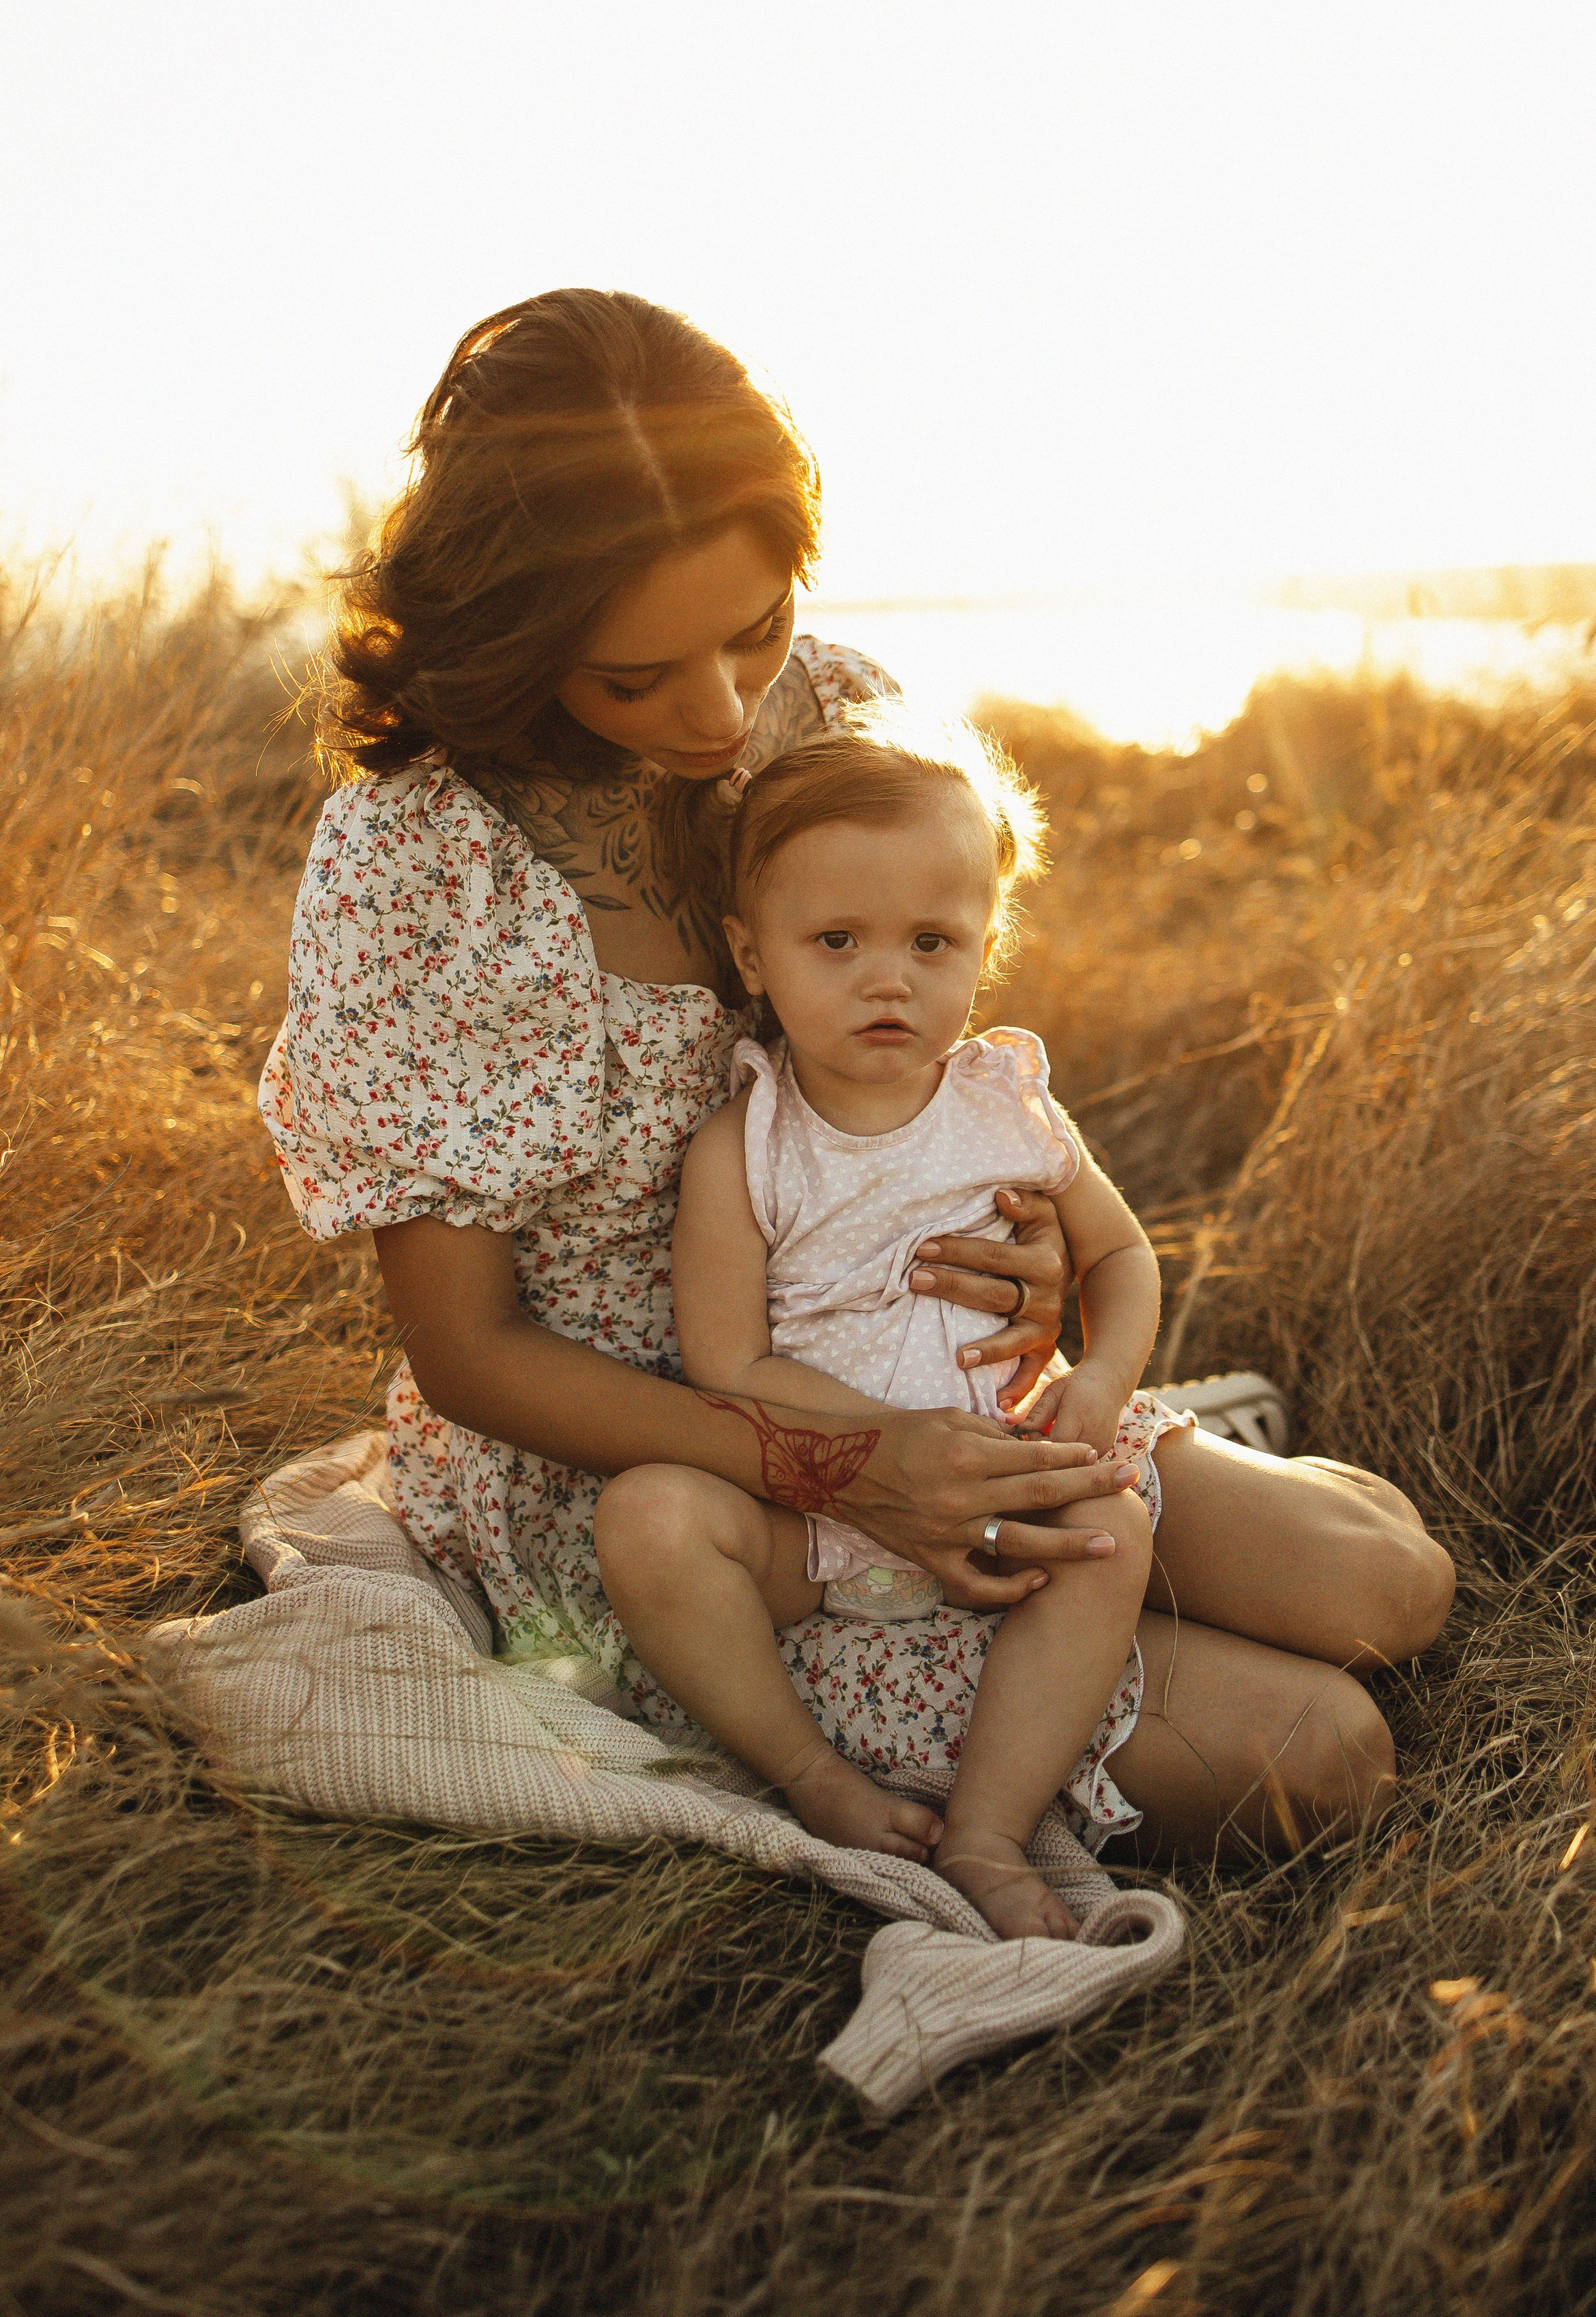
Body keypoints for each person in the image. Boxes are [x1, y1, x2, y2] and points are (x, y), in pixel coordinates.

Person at [260, 286, 1453, 1878]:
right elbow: (469, 1351)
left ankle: (1160, 1538)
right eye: (635, 676)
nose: (720, 714)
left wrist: (1030, 1248)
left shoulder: (824, 708)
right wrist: (843, 1468)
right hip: (664, 1480)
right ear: (512, 634)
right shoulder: (415, 862)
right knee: (1322, 1755)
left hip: (925, 1367)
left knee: (1388, 1587)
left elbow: (925, 1045)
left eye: (752, 628)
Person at [596, 713, 1206, 1936]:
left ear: (986, 943)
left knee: (1108, 1534)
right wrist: (885, 1447)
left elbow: (1122, 1253)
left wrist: (1100, 1379)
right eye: (837, 941)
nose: (889, 979)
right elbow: (728, 1361)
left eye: (933, 942)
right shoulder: (748, 1145)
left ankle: (987, 1830)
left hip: (1003, 1481)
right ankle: (812, 1775)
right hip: (811, 1509)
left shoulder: (1003, 1106)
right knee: (647, 1517)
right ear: (752, 953)